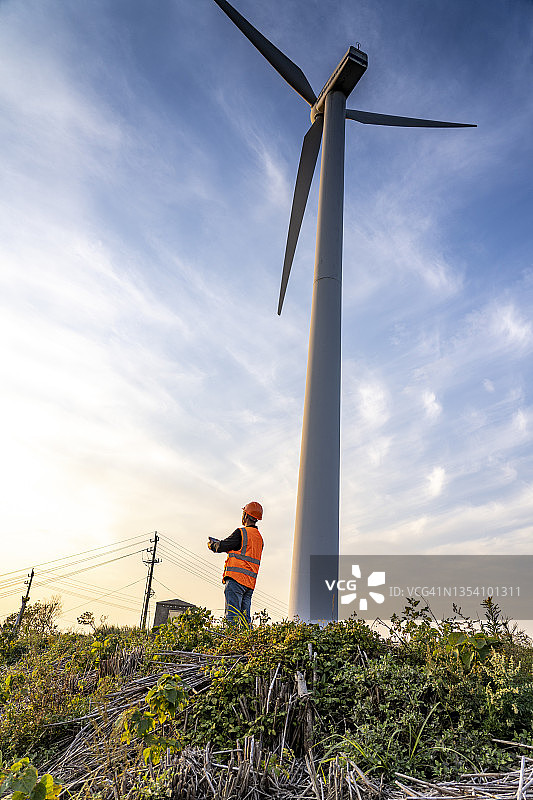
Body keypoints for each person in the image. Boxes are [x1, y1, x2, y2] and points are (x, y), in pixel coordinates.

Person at [207, 501, 264, 625]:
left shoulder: (241, 533)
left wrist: (212, 545)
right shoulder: (259, 538)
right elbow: (244, 551)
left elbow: (222, 546)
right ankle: (246, 643)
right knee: (245, 621)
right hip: (249, 584)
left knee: (231, 618)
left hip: (236, 580)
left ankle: (230, 643)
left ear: (246, 515)